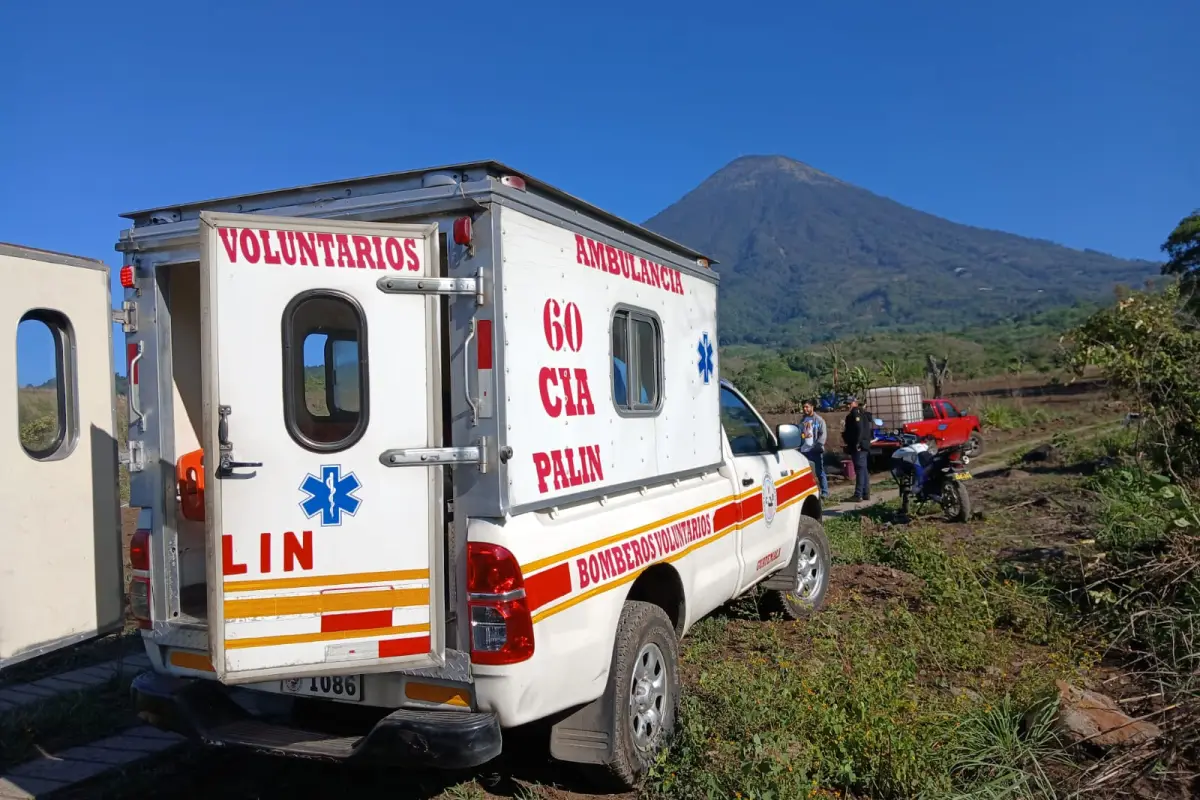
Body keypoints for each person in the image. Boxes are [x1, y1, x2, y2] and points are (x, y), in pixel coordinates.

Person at [841, 396, 873, 501]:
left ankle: (858, 494)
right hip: (863, 445)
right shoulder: (861, 412)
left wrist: (857, 443)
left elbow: (859, 429)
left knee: (859, 469)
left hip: (859, 445)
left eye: (849, 403)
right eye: (846, 403)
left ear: (855, 403)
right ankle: (865, 493)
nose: (847, 405)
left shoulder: (856, 413)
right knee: (863, 469)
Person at [799, 400, 829, 500]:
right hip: (804, 451)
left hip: (815, 450)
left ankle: (825, 492)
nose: (805, 409)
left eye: (807, 407)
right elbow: (800, 433)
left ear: (812, 407)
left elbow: (823, 435)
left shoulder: (819, 420)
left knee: (819, 471)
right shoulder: (802, 421)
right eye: (804, 407)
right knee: (806, 473)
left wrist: (818, 446)